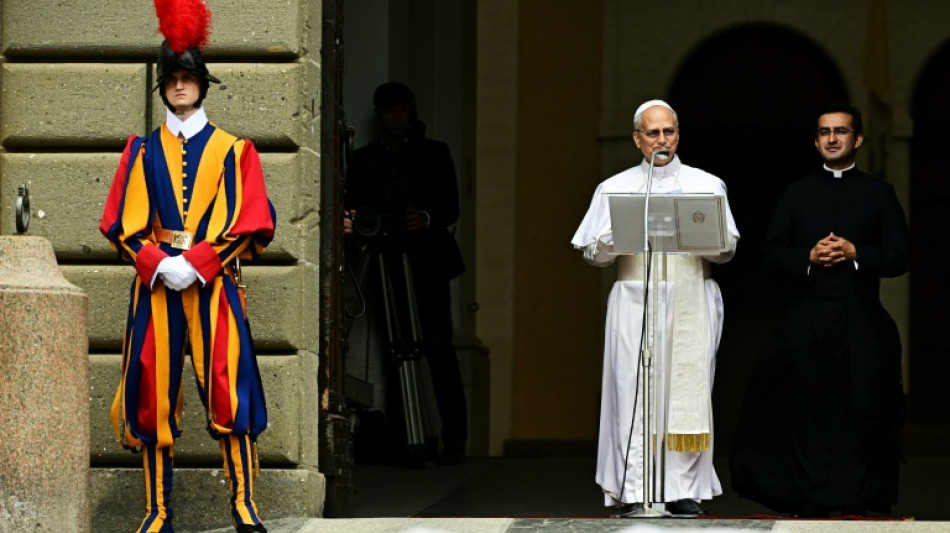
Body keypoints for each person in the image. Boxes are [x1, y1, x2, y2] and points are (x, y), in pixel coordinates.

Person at [99, 1, 275, 531]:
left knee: (230, 390)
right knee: (150, 396)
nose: (179, 86)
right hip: (155, 288)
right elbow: (120, 226)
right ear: (163, 86)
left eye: (187, 77)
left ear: (202, 84)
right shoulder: (141, 150)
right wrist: (158, 263)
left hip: (213, 285)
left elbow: (250, 223)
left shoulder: (234, 150)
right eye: (171, 79)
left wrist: (197, 263)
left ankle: (244, 506)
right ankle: (157, 512)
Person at [730, 103, 910, 517]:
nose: (832, 138)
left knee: (861, 407)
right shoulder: (797, 193)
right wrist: (808, 256)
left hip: (861, 319)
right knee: (803, 408)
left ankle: (858, 495)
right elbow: (770, 252)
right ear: (816, 142)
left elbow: (900, 256)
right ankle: (806, 495)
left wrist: (856, 252)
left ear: (857, 139)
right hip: (807, 320)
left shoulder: (880, 195)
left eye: (841, 131)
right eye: (825, 132)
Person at [571, 100, 740, 517]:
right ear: (637, 139)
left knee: (683, 392)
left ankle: (684, 490)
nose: (661, 140)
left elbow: (728, 250)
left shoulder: (707, 184)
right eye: (652, 133)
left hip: (689, 298)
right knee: (631, 390)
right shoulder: (613, 187)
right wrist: (616, 236)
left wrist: (710, 238)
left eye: (668, 132)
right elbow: (592, 254)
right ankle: (633, 488)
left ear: (678, 135)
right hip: (633, 299)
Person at [344, 81, 468, 466]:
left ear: (410, 112)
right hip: (383, 257)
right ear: (379, 114)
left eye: (402, 110)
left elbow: (451, 207)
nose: (397, 117)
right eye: (390, 110)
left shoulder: (434, 154)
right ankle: (406, 440)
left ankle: (454, 440)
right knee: (394, 350)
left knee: (438, 348)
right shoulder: (364, 160)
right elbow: (353, 206)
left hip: (426, 259)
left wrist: (424, 217)